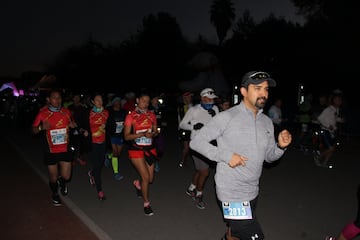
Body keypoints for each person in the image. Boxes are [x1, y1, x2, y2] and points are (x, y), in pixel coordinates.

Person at [190, 71, 292, 240]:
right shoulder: (227, 117)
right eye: (257, 88)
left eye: (266, 89)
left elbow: (269, 156)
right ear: (244, 91)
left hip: (252, 190)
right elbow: (196, 141)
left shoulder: (266, 122)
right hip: (231, 191)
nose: (263, 93)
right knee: (254, 236)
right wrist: (225, 155)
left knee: (235, 232)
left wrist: (281, 147)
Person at [32, 89, 77, 206]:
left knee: (66, 176)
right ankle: (55, 194)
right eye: (54, 98)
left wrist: (73, 125)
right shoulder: (43, 114)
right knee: (53, 177)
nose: (57, 100)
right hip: (50, 151)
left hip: (65, 149)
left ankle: (62, 182)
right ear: (48, 99)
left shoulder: (66, 112)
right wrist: (42, 128)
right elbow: (33, 130)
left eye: (59, 98)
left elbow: (72, 123)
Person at [179, 87, 219, 209]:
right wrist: (194, 127)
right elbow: (182, 124)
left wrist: (215, 117)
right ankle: (199, 195)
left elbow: (218, 126)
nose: (211, 101)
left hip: (210, 143)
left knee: (200, 170)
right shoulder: (193, 110)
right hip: (196, 144)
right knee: (205, 172)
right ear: (202, 98)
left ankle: (191, 188)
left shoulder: (215, 109)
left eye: (213, 99)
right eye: (209, 99)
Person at [123, 91, 159, 216]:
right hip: (136, 149)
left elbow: (156, 131)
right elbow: (126, 137)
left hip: (150, 148)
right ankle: (146, 204)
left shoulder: (151, 115)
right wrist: (142, 134)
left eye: (148, 101)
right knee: (145, 177)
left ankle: (138, 184)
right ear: (137, 100)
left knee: (150, 179)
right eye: (143, 100)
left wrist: (153, 134)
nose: (146, 103)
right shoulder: (130, 116)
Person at [82, 93, 109, 200]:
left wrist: (107, 126)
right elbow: (81, 125)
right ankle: (100, 190)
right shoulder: (87, 113)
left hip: (102, 142)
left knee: (101, 163)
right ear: (92, 101)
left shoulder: (106, 113)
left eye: (101, 100)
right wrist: (84, 131)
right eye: (97, 100)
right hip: (92, 143)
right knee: (97, 166)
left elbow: (111, 125)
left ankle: (91, 173)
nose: (99, 102)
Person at [315, 91, 344, 168]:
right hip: (325, 130)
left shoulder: (336, 109)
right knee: (331, 148)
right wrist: (328, 126)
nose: (340, 101)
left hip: (332, 131)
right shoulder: (328, 109)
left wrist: (340, 120)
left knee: (332, 149)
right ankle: (318, 157)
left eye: (340, 100)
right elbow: (319, 118)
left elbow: (334, 118)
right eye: (338, 100)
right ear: (334, 101)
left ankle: (324, 163)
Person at [105, 96, 128, 180]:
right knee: (115, 153)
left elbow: (127, 122)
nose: (118, 103)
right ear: (113, 103)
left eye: (119, 101)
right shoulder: (108, 111)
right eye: (116, 102)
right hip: (112, 135)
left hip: (120, 135)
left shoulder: (124, 112)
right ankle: (116, 173)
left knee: (117, 154)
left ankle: (108, 156)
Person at [67, 93, 88, 166]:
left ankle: (80, 157)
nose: (76, 99)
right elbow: (67, 118)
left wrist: (84, 128)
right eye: (75, 97)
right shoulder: (69, 107)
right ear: (72, 98)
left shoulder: (83, 108)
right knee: (72, 145)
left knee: (82, 144)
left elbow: (85, 119)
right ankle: (71, 158)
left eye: (78, 97)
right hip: (72, 129)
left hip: (81, 129)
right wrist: (70, 124)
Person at [148, 92, 167, 172]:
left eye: (157, 99)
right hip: (151, 131)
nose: (157, 100)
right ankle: (154, 163)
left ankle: (156, 159)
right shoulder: (148, 109)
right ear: (152, 100)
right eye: (155, 99)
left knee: (160, 148)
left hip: (159, 130)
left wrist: (164, 122)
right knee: (152, 147)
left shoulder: (160, 108)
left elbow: (164, 117)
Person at [177, 91, 194, 167]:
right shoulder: (181, 107)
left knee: (192, 146)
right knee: (186, 147)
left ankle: (189, 160)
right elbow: (179, 117)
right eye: (188, 96)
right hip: (184, 129)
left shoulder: (194, 106)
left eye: (190, 96)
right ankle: (183, 160)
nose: (189, 98)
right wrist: (179, 127)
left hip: (193, 129)